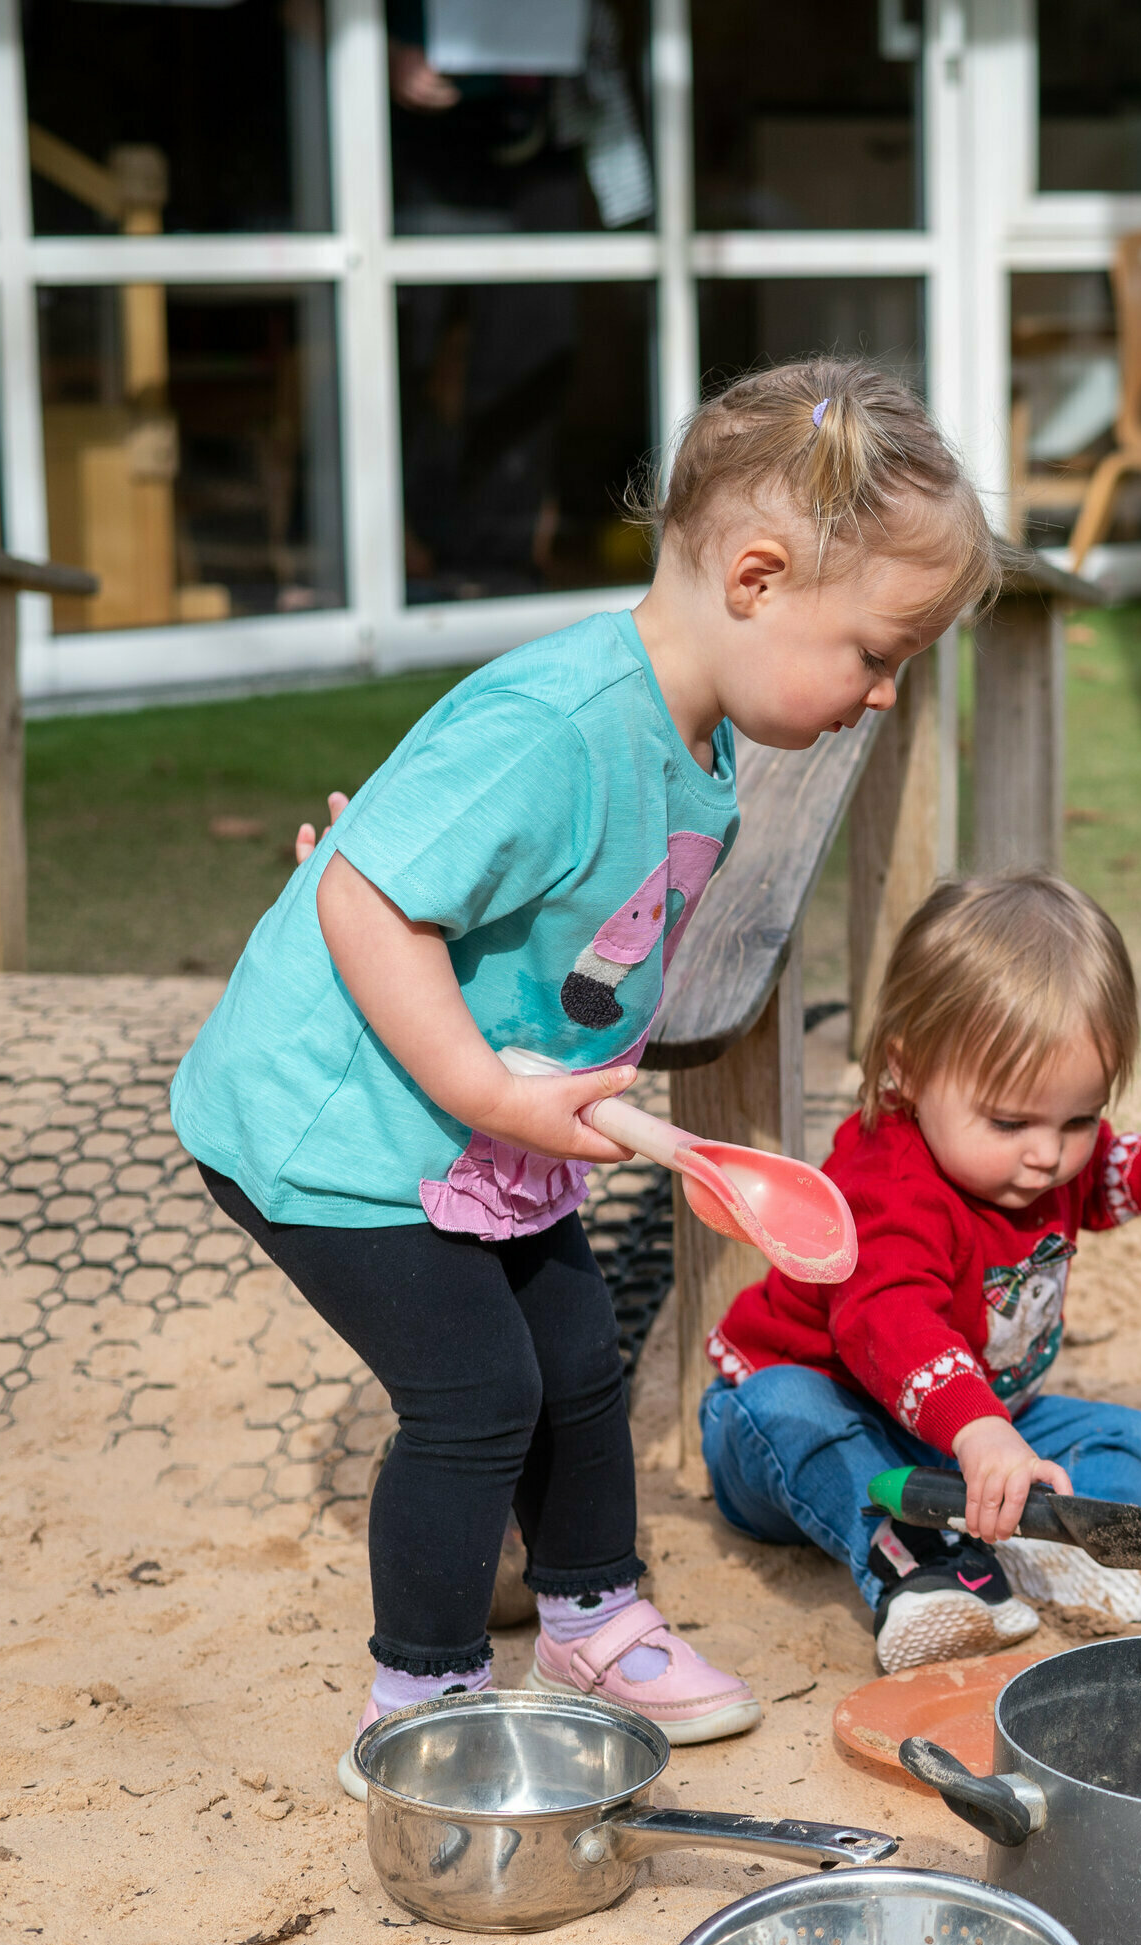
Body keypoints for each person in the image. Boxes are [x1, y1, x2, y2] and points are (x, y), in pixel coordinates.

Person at [172, 357, 1004, 1796]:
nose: (879, 698)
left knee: (574, 1362)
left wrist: (533, 1099)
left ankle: (592, 1621)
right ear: (755, 578)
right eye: (876, 654)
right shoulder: (563, 721)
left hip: (473, 1132)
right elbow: (367, 898)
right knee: (477, 1393)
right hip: (338, 1127)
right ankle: (420, 1696)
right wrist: (496, 1094)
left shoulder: (698, 739)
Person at [697, 872, 1141, 1673]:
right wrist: (983, 1433)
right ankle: (918, 1566)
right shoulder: (888, 1183)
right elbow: (890, 1317)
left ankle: (1060, 1535)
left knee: (1132, 1437)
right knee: (790, 1409)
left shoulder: (1041, 1163)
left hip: (967, 1437)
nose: (1048, 1154)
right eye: (1012, 1121)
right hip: (810, 1421)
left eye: (1078, 1118)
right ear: (907, 1072)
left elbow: (1104, 1170)